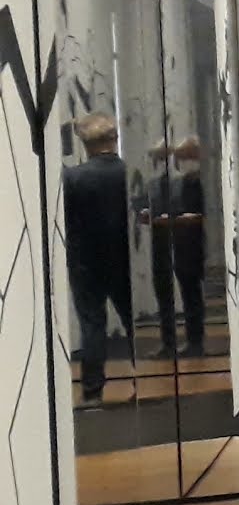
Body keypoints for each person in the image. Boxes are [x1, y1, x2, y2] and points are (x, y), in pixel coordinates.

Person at [61, 113, 132, 403]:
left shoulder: (73, 178)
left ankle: (92, 391)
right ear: (114, 138)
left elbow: (65, 221)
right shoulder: (128, 173)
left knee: (92, 326)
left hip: (85, 263)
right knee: (133, 322)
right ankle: (144, 379)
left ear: (85, 143)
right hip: (124, 260)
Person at [146, 137, 208, 357]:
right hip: (162, 243)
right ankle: (168, 342)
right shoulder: (155, 184)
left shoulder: (191, 182)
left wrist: (175, 219)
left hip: (187, 243)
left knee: (190, 293)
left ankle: (195, 341)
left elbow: (197, 214)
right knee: (164, 293)